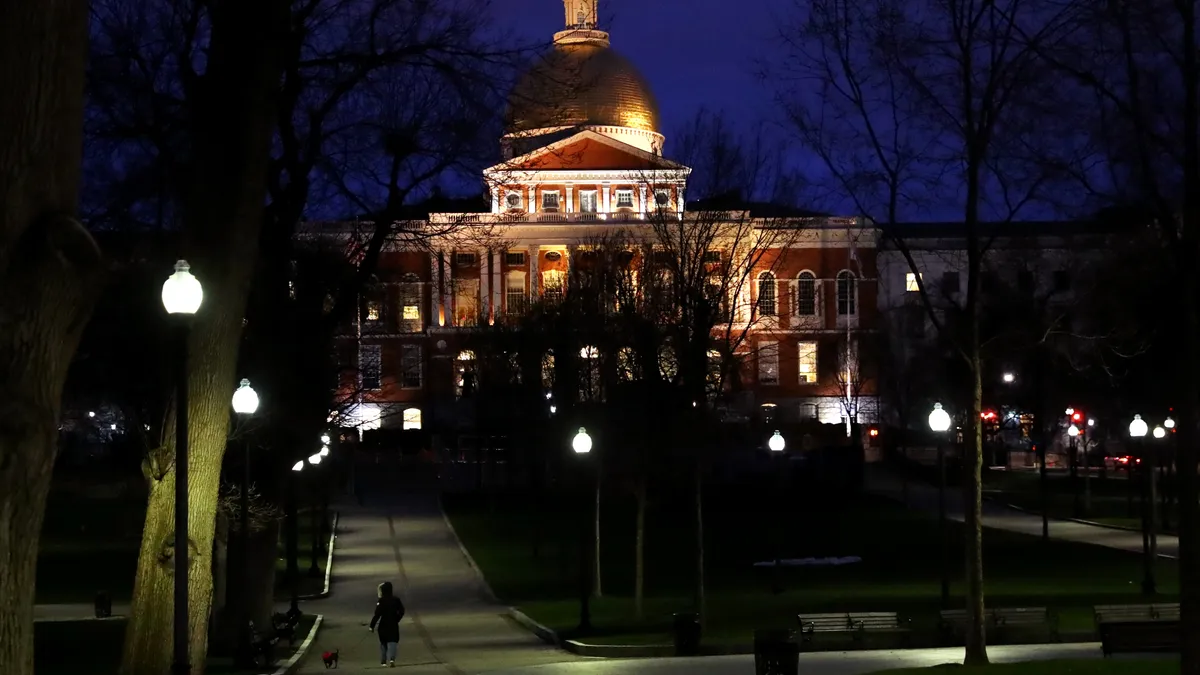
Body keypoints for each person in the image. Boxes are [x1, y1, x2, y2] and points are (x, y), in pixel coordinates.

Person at [368, 581, 405, 667]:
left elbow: (377, 614)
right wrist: (397, 618)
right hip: (393, 624)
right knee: (393, 642)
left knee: (383, 643)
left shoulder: (381, 601)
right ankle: (392, 659)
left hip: (383, 625)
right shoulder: (396, 600)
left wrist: (371, 626)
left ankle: (383, 661)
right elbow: (402, 611)